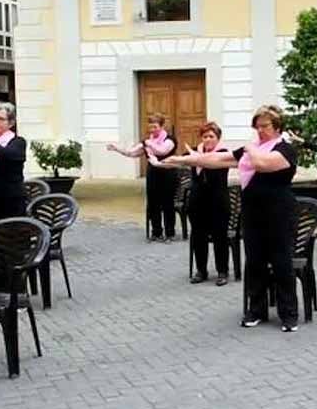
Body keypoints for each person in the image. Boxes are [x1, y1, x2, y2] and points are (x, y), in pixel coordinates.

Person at [164, 105, 300, 332]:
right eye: (257, 127)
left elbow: (261, 164)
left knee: (281, 263)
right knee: (254, 262)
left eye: (264, 126)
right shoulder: (254, 148)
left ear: (277, 127)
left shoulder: (285, 150)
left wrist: (248, 147)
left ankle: (289, 315)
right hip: (253, 213)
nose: (260, 131)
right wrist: (182, 160)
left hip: (279, 214)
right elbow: (219, 159)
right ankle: (255, 310)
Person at [151, 121, 231, 286]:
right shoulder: (195, 151)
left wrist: (195, 158)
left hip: (218, 201)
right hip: (197, 201)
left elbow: (207, 161)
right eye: (205, 136)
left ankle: (222, 271)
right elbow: (179, 161)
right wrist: (159, 163)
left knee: (219, 236)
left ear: (218, 138)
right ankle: (201, 270)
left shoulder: (223, 153)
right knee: (198, 236)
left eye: (211, 136)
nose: (208, 139)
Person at [107, 113, 178, 242]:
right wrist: (116, 148)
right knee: (153, 204)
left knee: (167, 204)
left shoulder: (170, 140)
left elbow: (161, 151)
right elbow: (132, 153)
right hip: (153, 174)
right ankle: (156, 232)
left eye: (155, 127)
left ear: (162, 126)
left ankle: (170, 233)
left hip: (168, 174)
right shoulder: (148, 141)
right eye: (150, 127)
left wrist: (147, 143)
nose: (152, 130)